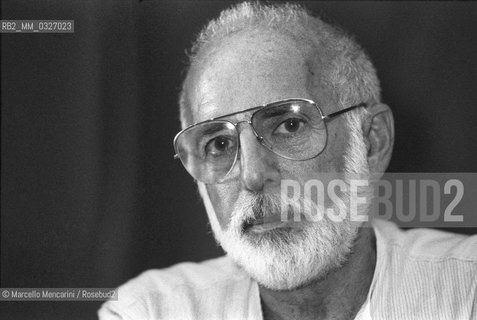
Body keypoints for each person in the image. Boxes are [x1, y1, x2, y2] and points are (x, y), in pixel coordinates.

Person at [99, 2, 477, 319]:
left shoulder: (466, 291)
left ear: (371, 142)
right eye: (218, 145)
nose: (252, 174)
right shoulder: (148, 311)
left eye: (290, 125)